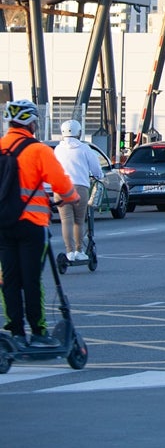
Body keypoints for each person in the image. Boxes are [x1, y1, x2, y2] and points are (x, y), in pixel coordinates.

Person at [0, 100, 79, 348]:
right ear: (31, 123)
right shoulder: (39, 150)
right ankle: (38, 331)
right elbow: (62, 184)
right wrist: (72, 198)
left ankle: (16, 333)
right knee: (31, 280)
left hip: (3, 225)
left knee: (10, 280)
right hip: (32, 225)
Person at [53, 119, 103, 262]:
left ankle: (69, 251)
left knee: (66, 221)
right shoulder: (84, 148)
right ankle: (79, 250)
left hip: (60, 188)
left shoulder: (58, 149)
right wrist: (99, 175)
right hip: (79, 187)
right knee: (79, 221)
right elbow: (96, 168)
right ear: (79, 133)